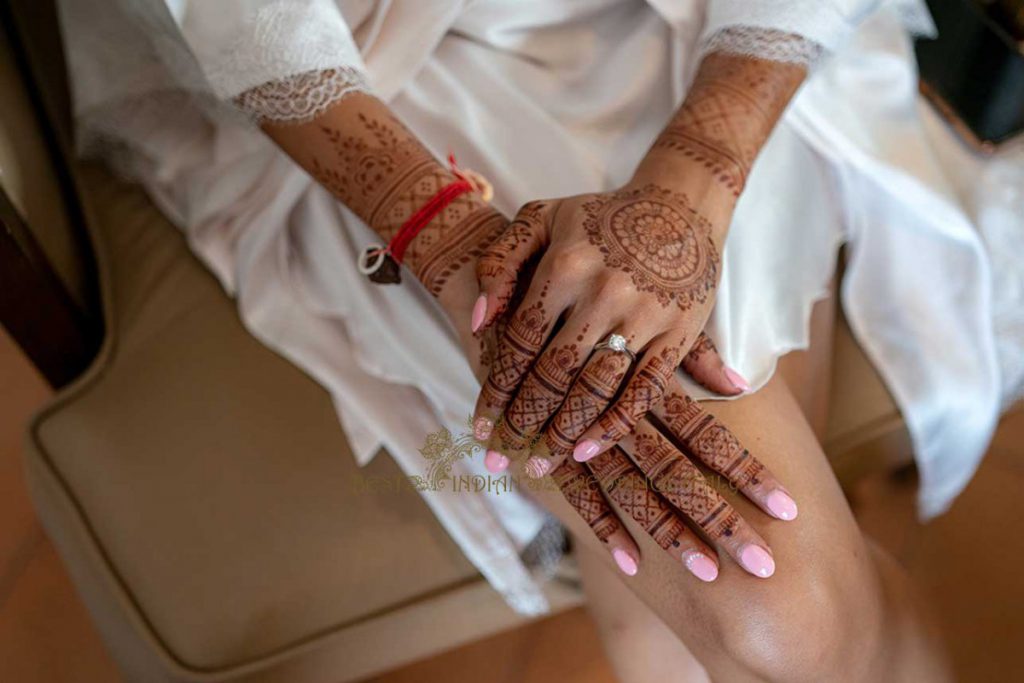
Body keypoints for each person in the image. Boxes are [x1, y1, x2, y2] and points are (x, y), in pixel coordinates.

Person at [59, 0, 1021, 679]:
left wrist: (697, 172)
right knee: (757, 610)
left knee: (749, 616)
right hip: (361, 84)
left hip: (701, 32)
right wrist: (457, 247)